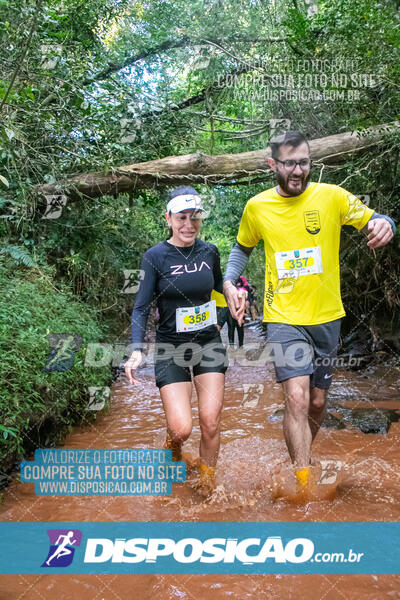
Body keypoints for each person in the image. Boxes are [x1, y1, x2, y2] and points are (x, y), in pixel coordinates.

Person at [223, 130, 396, 491]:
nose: (298, 170)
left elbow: (373, 218)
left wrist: (386, 224)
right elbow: (242, 248)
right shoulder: (257, 207)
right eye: (289, 163)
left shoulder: (331, 197)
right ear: (273, 164)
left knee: (317, 402)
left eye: (303, 162)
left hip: (327, 316)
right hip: (283, 316)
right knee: (297, 399)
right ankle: (303, 481)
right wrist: (228, 282)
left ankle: (303, 454)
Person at [125, 186, 229, 493]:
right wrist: (136, 350)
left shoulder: (209, 251)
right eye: (182, 217)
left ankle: (207, 484)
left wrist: (227, 308)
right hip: (171, 347)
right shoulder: (155, 257)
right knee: (182, 428)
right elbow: (141, 306)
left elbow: (221, 288)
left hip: (208, 343)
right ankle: (174, 449)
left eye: (195, 217)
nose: (189, 225)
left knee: (210, 421)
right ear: (168, 218)